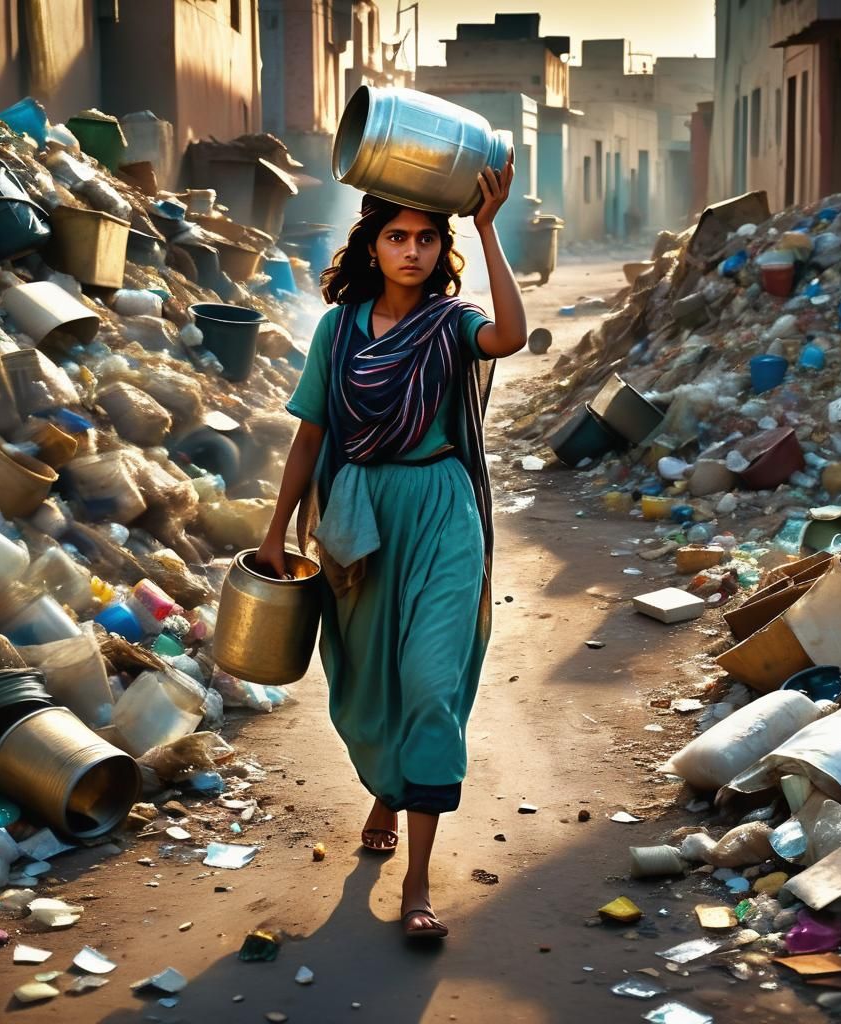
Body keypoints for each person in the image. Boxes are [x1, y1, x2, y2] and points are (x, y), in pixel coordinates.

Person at [257, 153, 526, 940]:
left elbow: (508, 335)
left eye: (426, 240)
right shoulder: (338, 332)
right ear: (372, 246)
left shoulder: (451, 326)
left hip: (441, 510)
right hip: (359, 521)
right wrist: (275, 531)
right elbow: (310, 435)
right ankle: (386, 788)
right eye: (397, 237)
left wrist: (487, 226)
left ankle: (416, 884)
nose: (412, 250)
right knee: (369, 680)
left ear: (443, 252)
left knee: (430, 681)